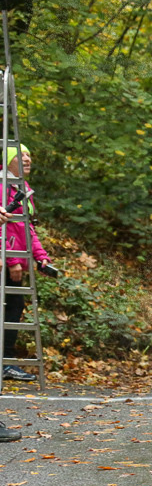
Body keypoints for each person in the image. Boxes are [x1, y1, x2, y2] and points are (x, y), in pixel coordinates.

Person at [2, 144, 55, 383]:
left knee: (14, 307)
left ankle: (7, 362)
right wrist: (12, 260)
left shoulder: (22, 188)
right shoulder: (2, 186)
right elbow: (5, 226)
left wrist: (41, 257)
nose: (27, 159)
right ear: (8, 160)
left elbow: (27, 228)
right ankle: (6, 362)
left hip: (16, 259)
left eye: (29, 155)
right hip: (5, 261)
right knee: (10, 307)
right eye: (21, 155)